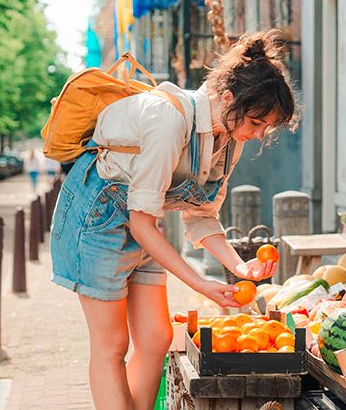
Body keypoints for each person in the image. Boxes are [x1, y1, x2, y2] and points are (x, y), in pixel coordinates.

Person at [49, 29, 297, 410]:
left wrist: (238, 266)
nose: (259, 134)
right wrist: (198, 282)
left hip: (141, 221)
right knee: (112, 343)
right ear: (228, 98)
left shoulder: (226, 140)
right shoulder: (169, 122)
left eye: (267, 128)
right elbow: (140, 222)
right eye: (256, 122)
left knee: (156, 338)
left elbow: (201, 216)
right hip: (96, 216)